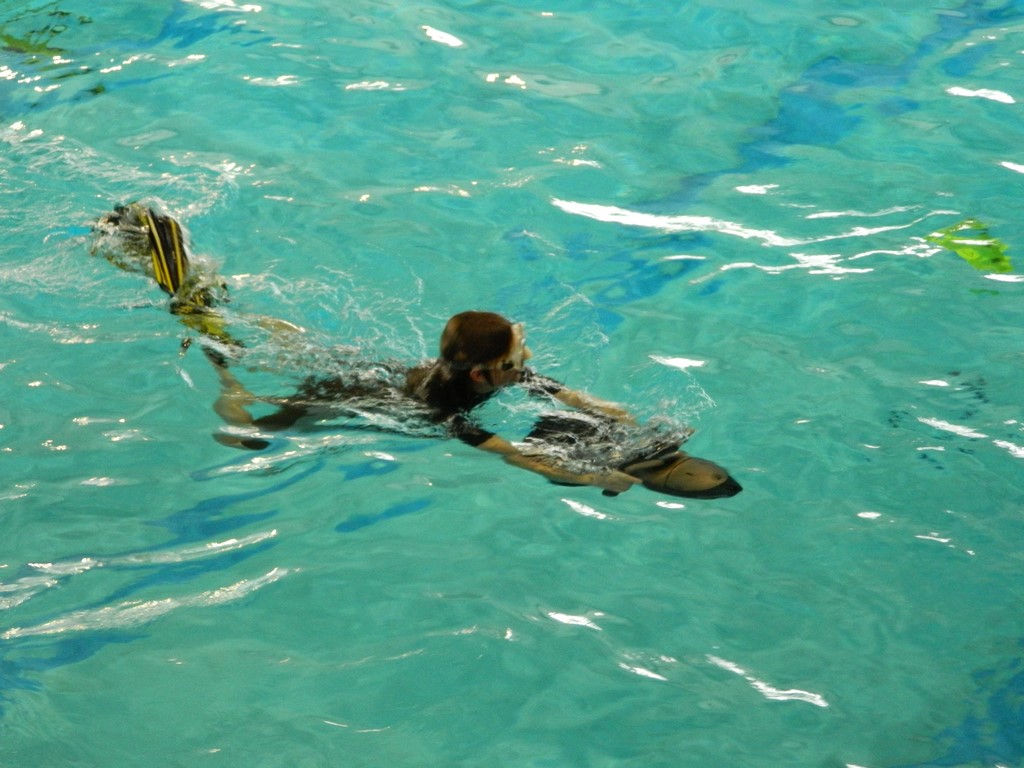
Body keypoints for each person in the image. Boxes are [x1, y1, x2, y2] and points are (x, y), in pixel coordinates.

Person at [93, 203, 742, 499]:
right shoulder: (449, 416)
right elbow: (516, 455)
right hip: (354, 397)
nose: (527, 355)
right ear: (486, 372)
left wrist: (616, 417)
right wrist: (590, 476)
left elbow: (564, 393)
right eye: (518, 352)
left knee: (291, 347)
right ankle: (227, 377)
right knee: (256, 432)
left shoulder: (490, 376)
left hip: (379, 373)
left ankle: (215, 305)